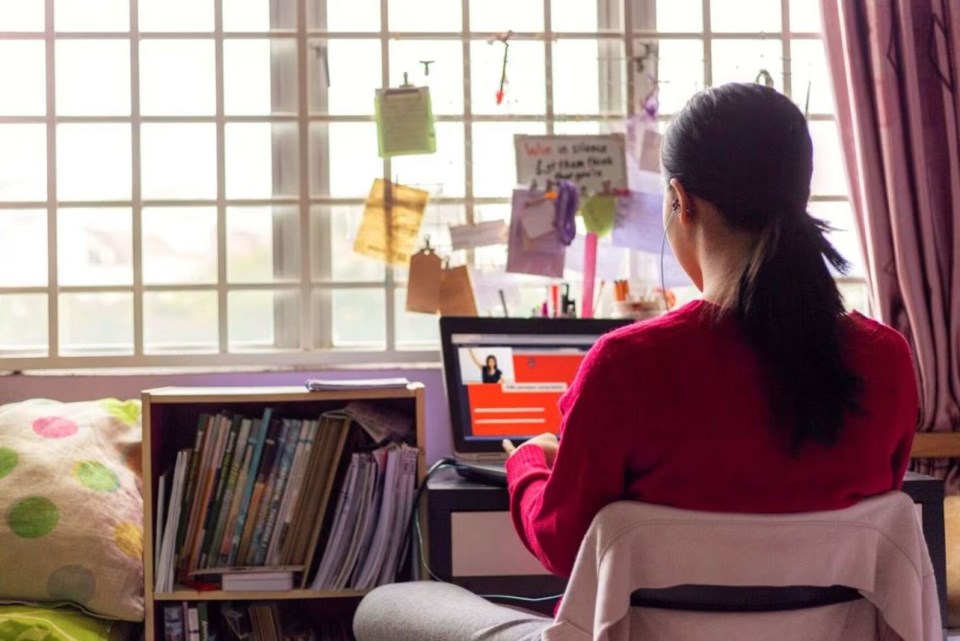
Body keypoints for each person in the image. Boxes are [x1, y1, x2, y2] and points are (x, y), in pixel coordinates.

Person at [353, 82, 919, 641]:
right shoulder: (886, 361)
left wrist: (528, 461)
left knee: (388, 603)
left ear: (680, 200)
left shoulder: (627, 365)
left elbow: (559, 542)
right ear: (800, 196)